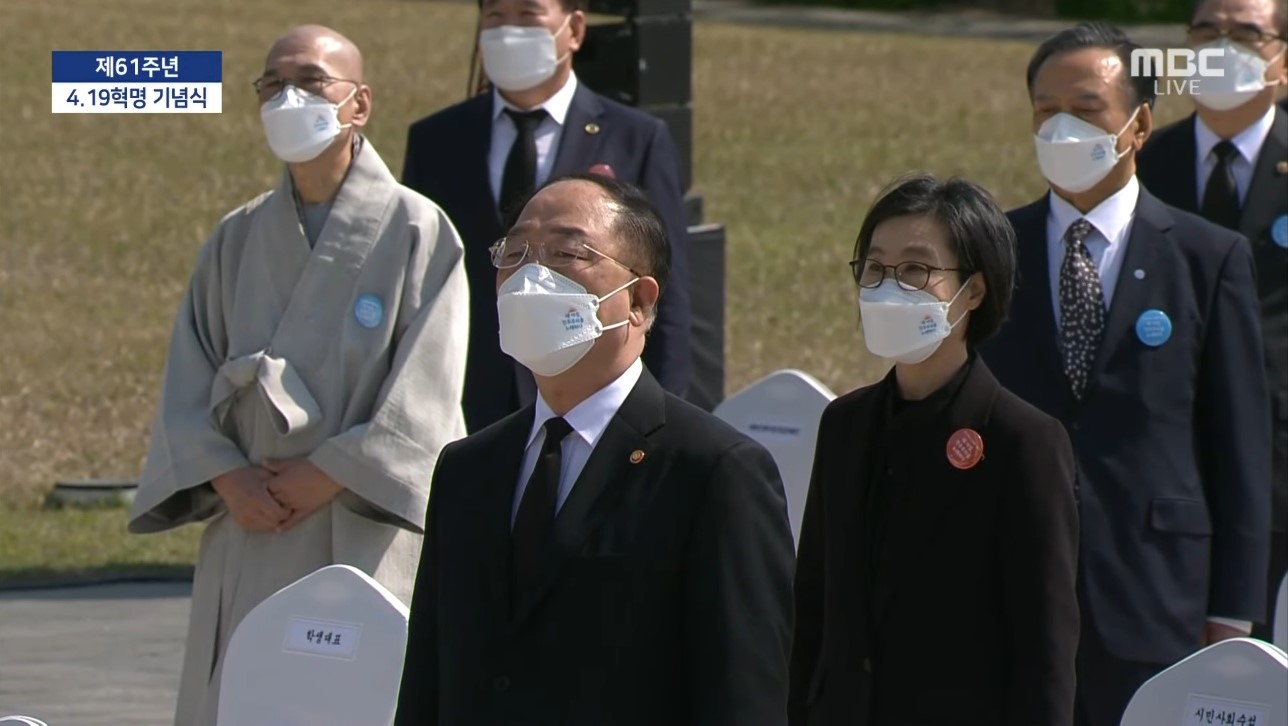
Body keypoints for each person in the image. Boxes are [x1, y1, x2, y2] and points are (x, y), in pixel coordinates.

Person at [128, 25, 469, 726]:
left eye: (311, 81)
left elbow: (427, 392)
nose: (290, 97)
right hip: (251, 519)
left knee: (360, 697)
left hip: (358, 517)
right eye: (272, 84)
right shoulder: (237, 236)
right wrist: (227, 475)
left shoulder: (417, 229)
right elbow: (188, 377)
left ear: (359, 104)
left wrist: (333, 472)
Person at [394, 174, 794, 726]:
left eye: (566, 253)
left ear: (637, 299)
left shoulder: (714, 471)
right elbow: (427, 684)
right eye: (515, 253)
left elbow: (744, 695)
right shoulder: (468, 468)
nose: (531, 276)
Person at [979, 22, 1272, 726]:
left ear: (1138, 124)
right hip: (1008, 589)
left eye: (1086, 110)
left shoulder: (1208, 258)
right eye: (1046, 111)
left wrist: (1233, 610)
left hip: (1153, 593)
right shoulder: (993, 250)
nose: (1062, 129)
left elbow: (1239, 448)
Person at [788, 174, 1079, 726]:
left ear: (973, 290)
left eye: (917, 271)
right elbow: (814, 607)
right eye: (875, 269)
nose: (888, 287)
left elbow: (1046, 646)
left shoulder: (1023, 441)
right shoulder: (844, 424)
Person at [401, 0, 692, 434]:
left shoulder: (635, 138)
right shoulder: (436, 139)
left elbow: (669, 295)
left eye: (528, 16)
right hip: (465, 400)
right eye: (495, 17)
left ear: (574, 29)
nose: (508, 31)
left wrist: (664, 419)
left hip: (592, 402)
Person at [1137, 0, 1288, 643]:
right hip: (1169, 466)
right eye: (1206, 32)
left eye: (1247, 34)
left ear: (1282, 59)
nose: (1222, 48)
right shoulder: (1145, 164)